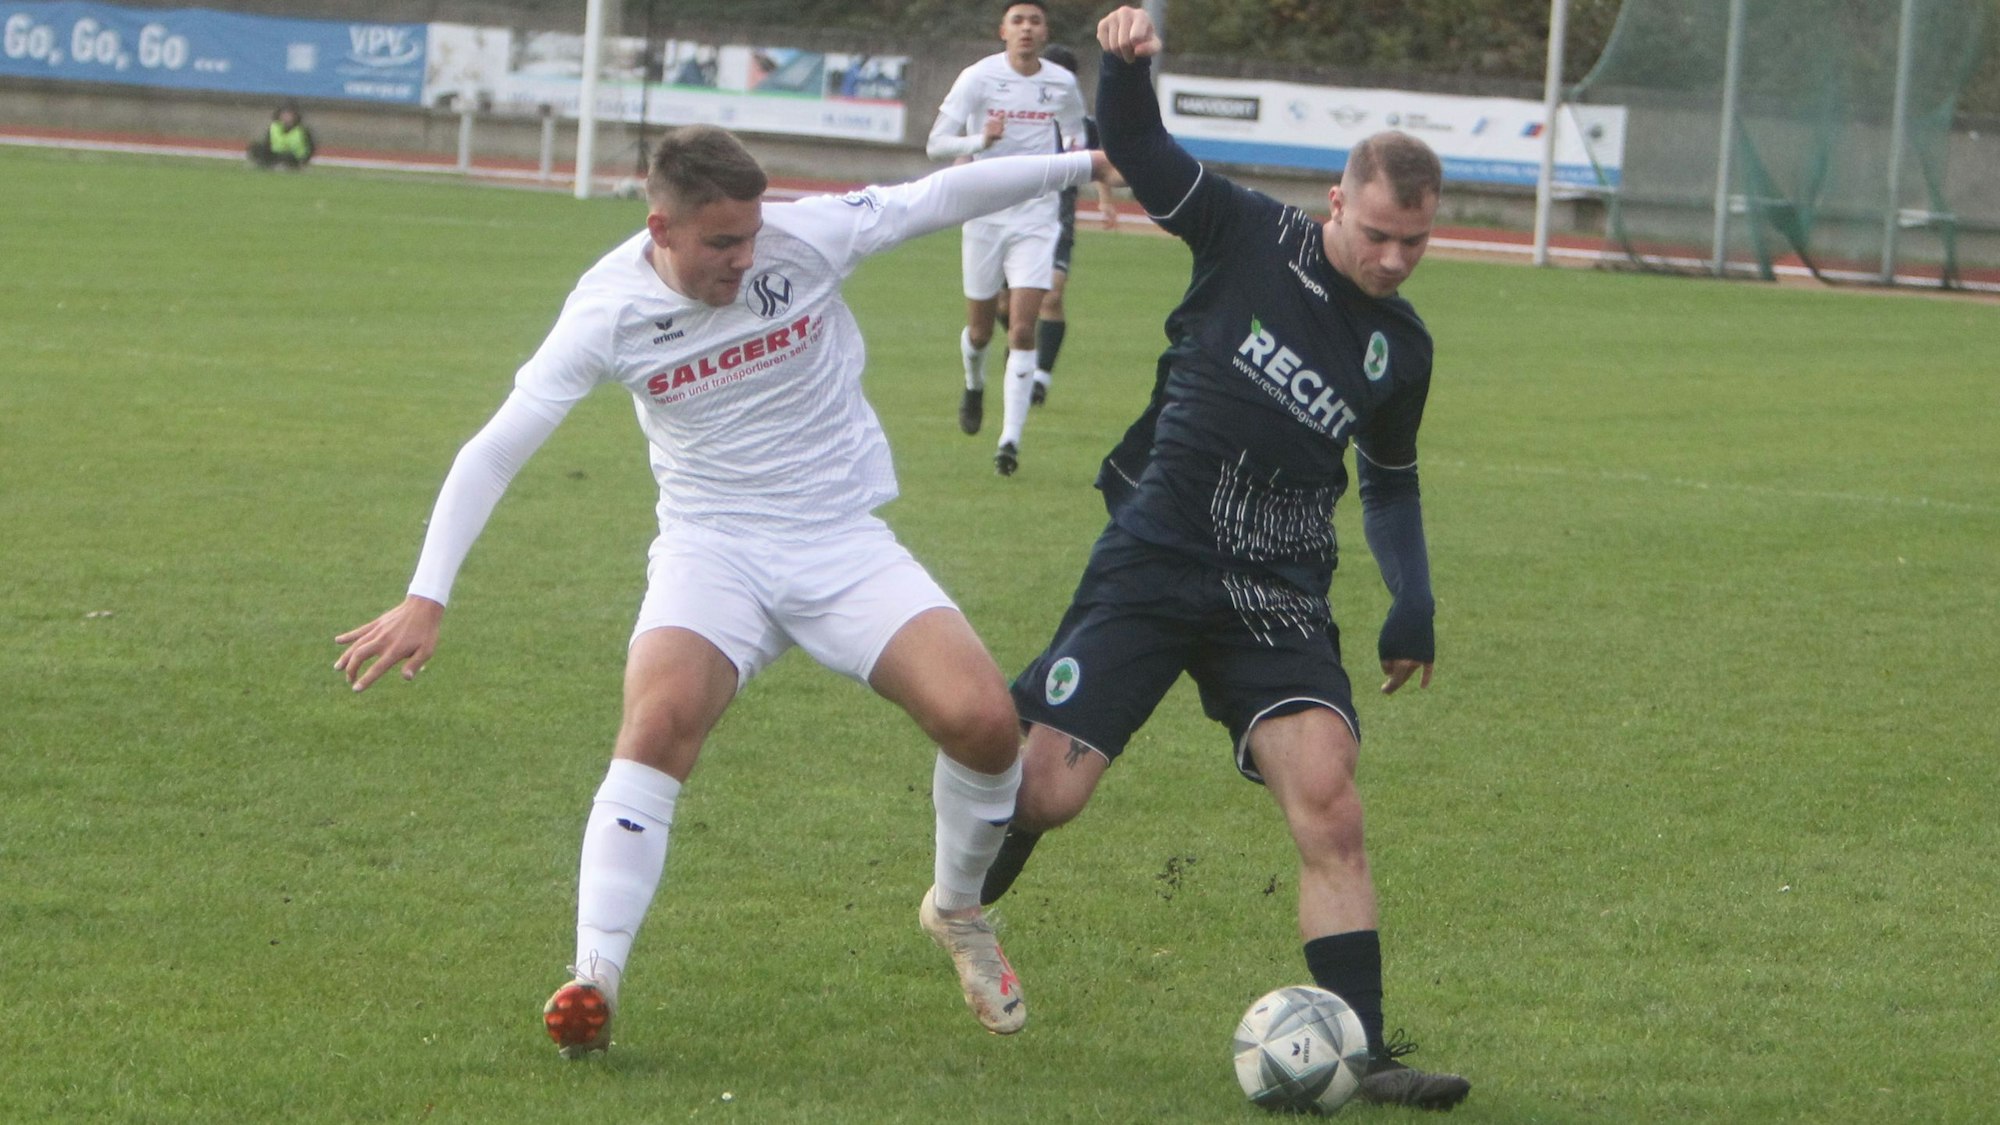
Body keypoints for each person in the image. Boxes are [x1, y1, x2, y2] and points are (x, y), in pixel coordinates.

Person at [334, 125, 1112, 1057]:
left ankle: (956, 909)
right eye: (720, 243)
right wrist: (428, 594)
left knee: (985, 722)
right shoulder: (606, 311)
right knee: (657, 725)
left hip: (839, 541)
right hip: (713, 550)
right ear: (659, 225)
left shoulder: (807, 235)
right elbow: (494, 447)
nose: (746, 259)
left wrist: (1087, 160)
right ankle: (594, 981)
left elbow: (940, 194)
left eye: (751, 236)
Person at [980, 7, 1473, 1111]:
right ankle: (962, 906)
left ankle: (1369, 1048)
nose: (1393, 259)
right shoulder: (1251, 232)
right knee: (1047, 795)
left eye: (1417, 242)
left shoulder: (1402, 348)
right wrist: (1124, 64)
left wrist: (1413, 600)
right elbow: (1143, 154)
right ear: (1335, 200)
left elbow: (1386, 481)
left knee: (1329, 802)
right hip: (1156, 551)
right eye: (1378, 233)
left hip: (1275, 588)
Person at [926, 0, 1087, 476]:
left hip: (1037, 218)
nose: (1026, 29)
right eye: (1017, 21)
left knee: (1021, 329)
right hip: (984, 216)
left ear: (1045, 31)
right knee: (979, 331)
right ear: (1003, 30)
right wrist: (980, 142)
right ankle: (974, 384)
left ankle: (1009, 442)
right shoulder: (977, 77)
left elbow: (1077, 138)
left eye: (1035, 21)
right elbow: (937, 143)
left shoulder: (1062, 83)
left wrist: (1075, 159)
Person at [1023, 43, 1119, 410]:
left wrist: (1106, 202)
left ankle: (1040, 378)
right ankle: (1023, 351)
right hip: (1009, 218)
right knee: (1005, 305)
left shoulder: (1079, 124)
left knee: (1051, 295)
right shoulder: (1020, 117)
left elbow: (1098, 163)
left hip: (1057, 218)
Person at [247, 102, 314, 170]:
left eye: (289, 114)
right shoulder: (274, 127)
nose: (286, 117)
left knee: (287, 157)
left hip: (293, 158)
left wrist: (304, 161)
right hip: (275, 155)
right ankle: (263, 164)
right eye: (284, 114)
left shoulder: (302, 131)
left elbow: (310, 148)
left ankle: (285, 167)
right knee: (257, 148)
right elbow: (267, 144)